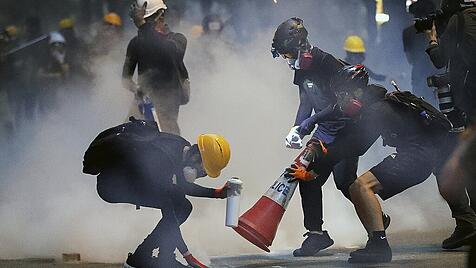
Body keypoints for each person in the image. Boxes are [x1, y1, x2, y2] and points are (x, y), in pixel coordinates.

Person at [288, 65, 476, 263]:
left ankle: (379, 245)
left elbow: (354, 147)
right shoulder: (374, 100)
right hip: (435, 150)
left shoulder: (376, 111)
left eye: (343, 95)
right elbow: (336, 111)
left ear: (356, 93)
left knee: (361, 186)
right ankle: (467, 224)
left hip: (418, 156)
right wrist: (308, 124)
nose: (341, 102)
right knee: (361, 186)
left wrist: (314, 172)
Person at [270, 18, 390, 257]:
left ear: (301, 46)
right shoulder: (301, 70)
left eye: (287, 54)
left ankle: (376, 224)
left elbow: (342, 105)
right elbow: (306, 99)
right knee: (310, 179)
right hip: (325, 131)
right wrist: (296, 128)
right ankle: (316, 235)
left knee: (345, 183)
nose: (287, 60)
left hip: (347, 130)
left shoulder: (328, 64)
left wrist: (307, 125)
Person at [83, 118, 232, 268]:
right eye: (203, 170)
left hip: (132, 180)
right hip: (112, 187)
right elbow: (169, 214)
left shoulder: (181, 146)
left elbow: (182, 186)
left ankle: (157, 258)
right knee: (178, 207)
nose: (201, 175)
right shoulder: (163, 160)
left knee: (182, 205)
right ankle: (145, 259)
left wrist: (217, 193)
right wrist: (188, 255)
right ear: (196, 157)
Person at [124, 0, 190, 135]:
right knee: (126, 134)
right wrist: (137, 90)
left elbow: (167, 52)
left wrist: (143, 27)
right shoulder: (136, 43)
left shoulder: (177, 40)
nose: (144, 26)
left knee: (169, 140)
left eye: (147, 20)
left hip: (167, 102)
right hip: (143, 101)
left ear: (161, 16)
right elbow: (126, 78)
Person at [402, 0, 438, 106]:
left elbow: (409, 59)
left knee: (422, 105)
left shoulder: (408, 32)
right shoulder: (436, 30)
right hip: (438, 71)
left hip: (418, 74)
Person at [36, 32, 69, 116]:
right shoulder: (46, 60)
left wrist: (62, 64)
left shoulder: (67, 58)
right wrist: (53, 76)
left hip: (64, 92)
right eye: (55, 47)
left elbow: (67, 74)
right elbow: (39, 75)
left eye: (60, 46)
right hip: (48, 93)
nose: (57, 49)